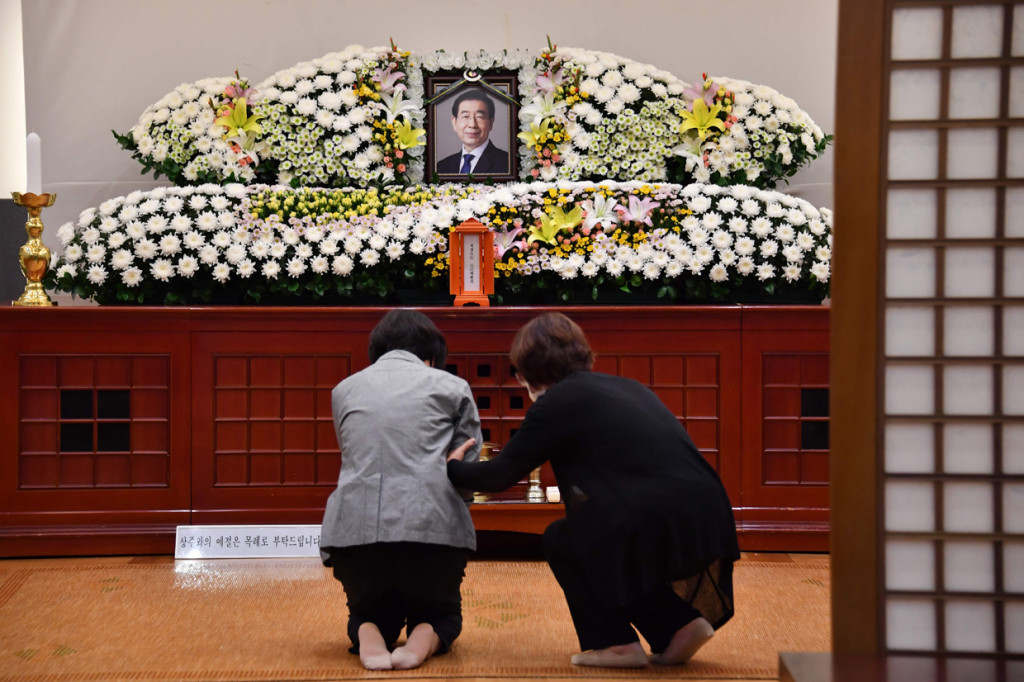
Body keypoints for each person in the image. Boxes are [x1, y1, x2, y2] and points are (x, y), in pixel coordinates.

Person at [447, 312, 739, 669]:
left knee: (564, 539)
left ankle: (617, 644)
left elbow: (498, 477)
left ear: (529, 370)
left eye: (519, 374)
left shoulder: (555, 404)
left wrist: (450, 465)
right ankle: (679, 624)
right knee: (602, 537)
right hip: (709, 511)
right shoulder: (628, 386)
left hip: (651, 518)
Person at [320, 309, 482, 671]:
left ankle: (370, 632)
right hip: (431, 528)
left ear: (376, 352)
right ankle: (423, 638)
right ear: (431, 356)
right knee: (442, 613)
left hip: (353, 532)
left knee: (367, 611)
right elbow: (467, 465)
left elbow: (353, 454)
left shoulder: (343, 389)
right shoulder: (451, 386)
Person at [436, 88, 509, 175]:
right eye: (465, 116)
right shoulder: (441, 167)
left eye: (480, 117)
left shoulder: (508, 163)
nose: (472, 124)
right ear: (454, 122)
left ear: (491, 123)